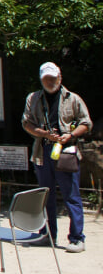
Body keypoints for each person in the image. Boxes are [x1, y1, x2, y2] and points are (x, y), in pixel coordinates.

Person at [22, 62, 92, 252]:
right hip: (43, 150)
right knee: (45, 195)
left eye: (53, 78)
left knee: (71, 195)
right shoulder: (33, 98)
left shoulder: (73, 98)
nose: (50, 81)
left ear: (60, 78)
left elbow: (86, 122)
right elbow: (26, 123)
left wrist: (71, 135)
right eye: (46, 78)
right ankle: (47, 234)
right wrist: (44, 134)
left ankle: (77, 238)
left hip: (66, 151)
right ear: (41, 79)